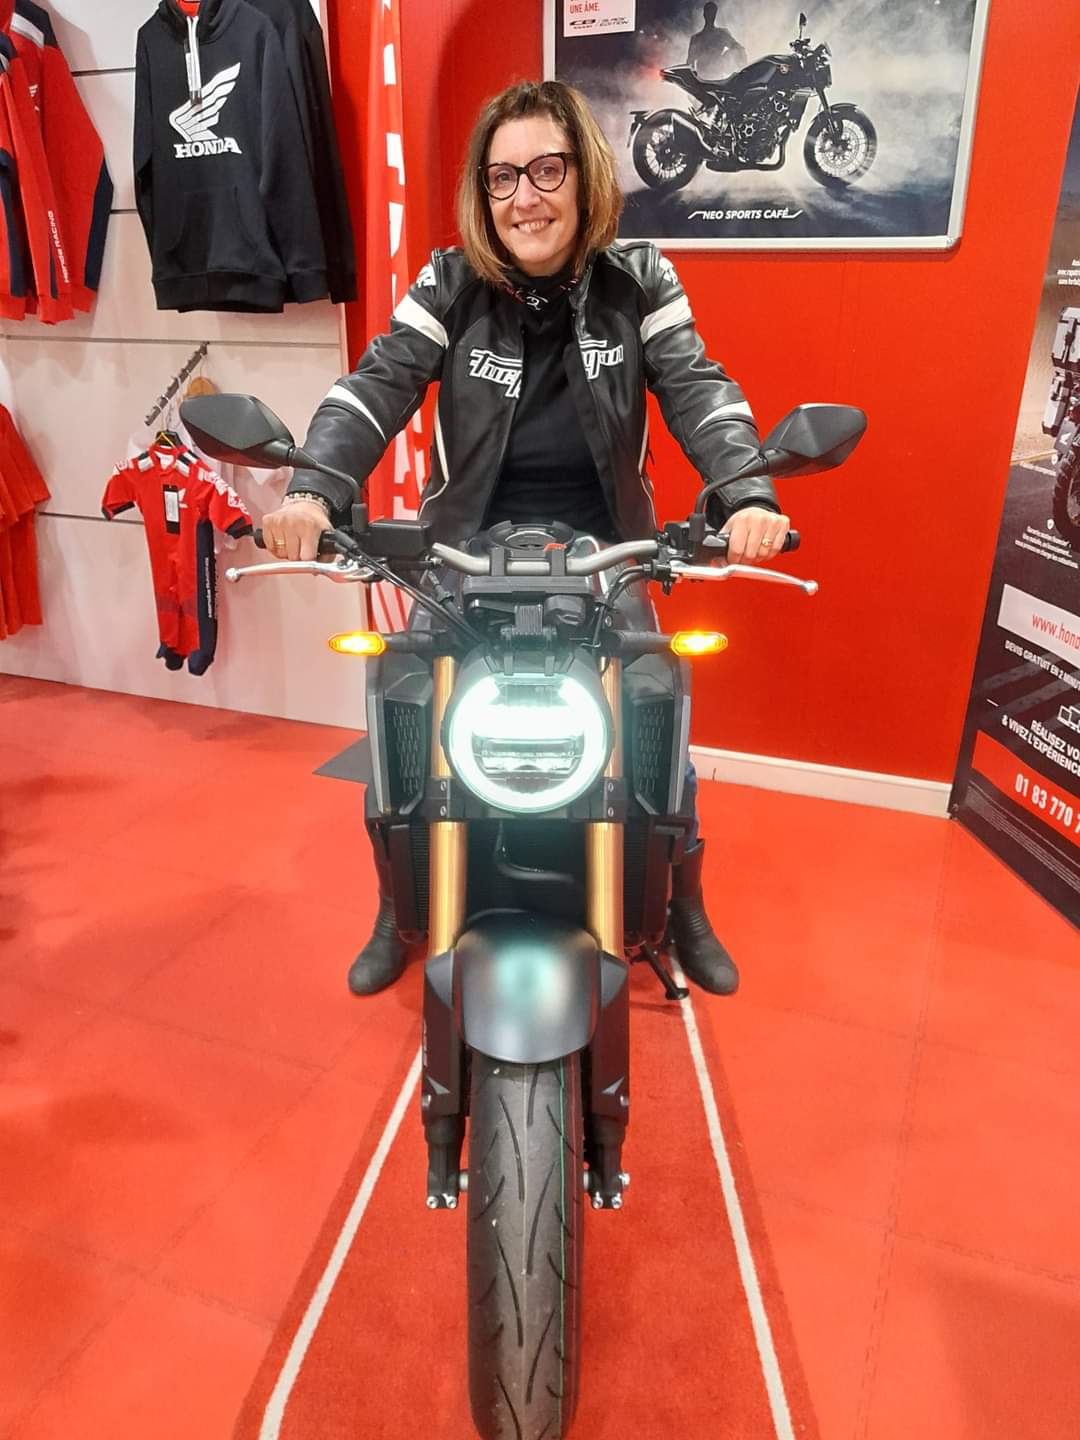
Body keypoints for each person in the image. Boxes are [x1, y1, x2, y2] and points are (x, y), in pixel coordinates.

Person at [259, 80, 790, 998]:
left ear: (585, 177)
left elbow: (699, 387)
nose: (524, 198)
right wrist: (312, 491)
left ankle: (682, 904)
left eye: (547, 170)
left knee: (659, 705)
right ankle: (396, 904)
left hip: (605, 556)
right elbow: (375, 386)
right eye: (502, 178)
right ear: (483, 192)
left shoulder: (640, 280)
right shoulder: (449, 282)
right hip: (461, 553)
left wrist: (745, 492)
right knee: (401, 706)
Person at [687, 2, 746, 79]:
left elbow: (738, 49)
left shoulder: (722, 35)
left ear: (715, 15)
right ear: (704, 14)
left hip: (717, 77)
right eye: (709, 13)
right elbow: (689, 64)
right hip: (702, 78)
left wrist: (727, 58)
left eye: (712, 13)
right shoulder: (696, 38)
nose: (710, 16)